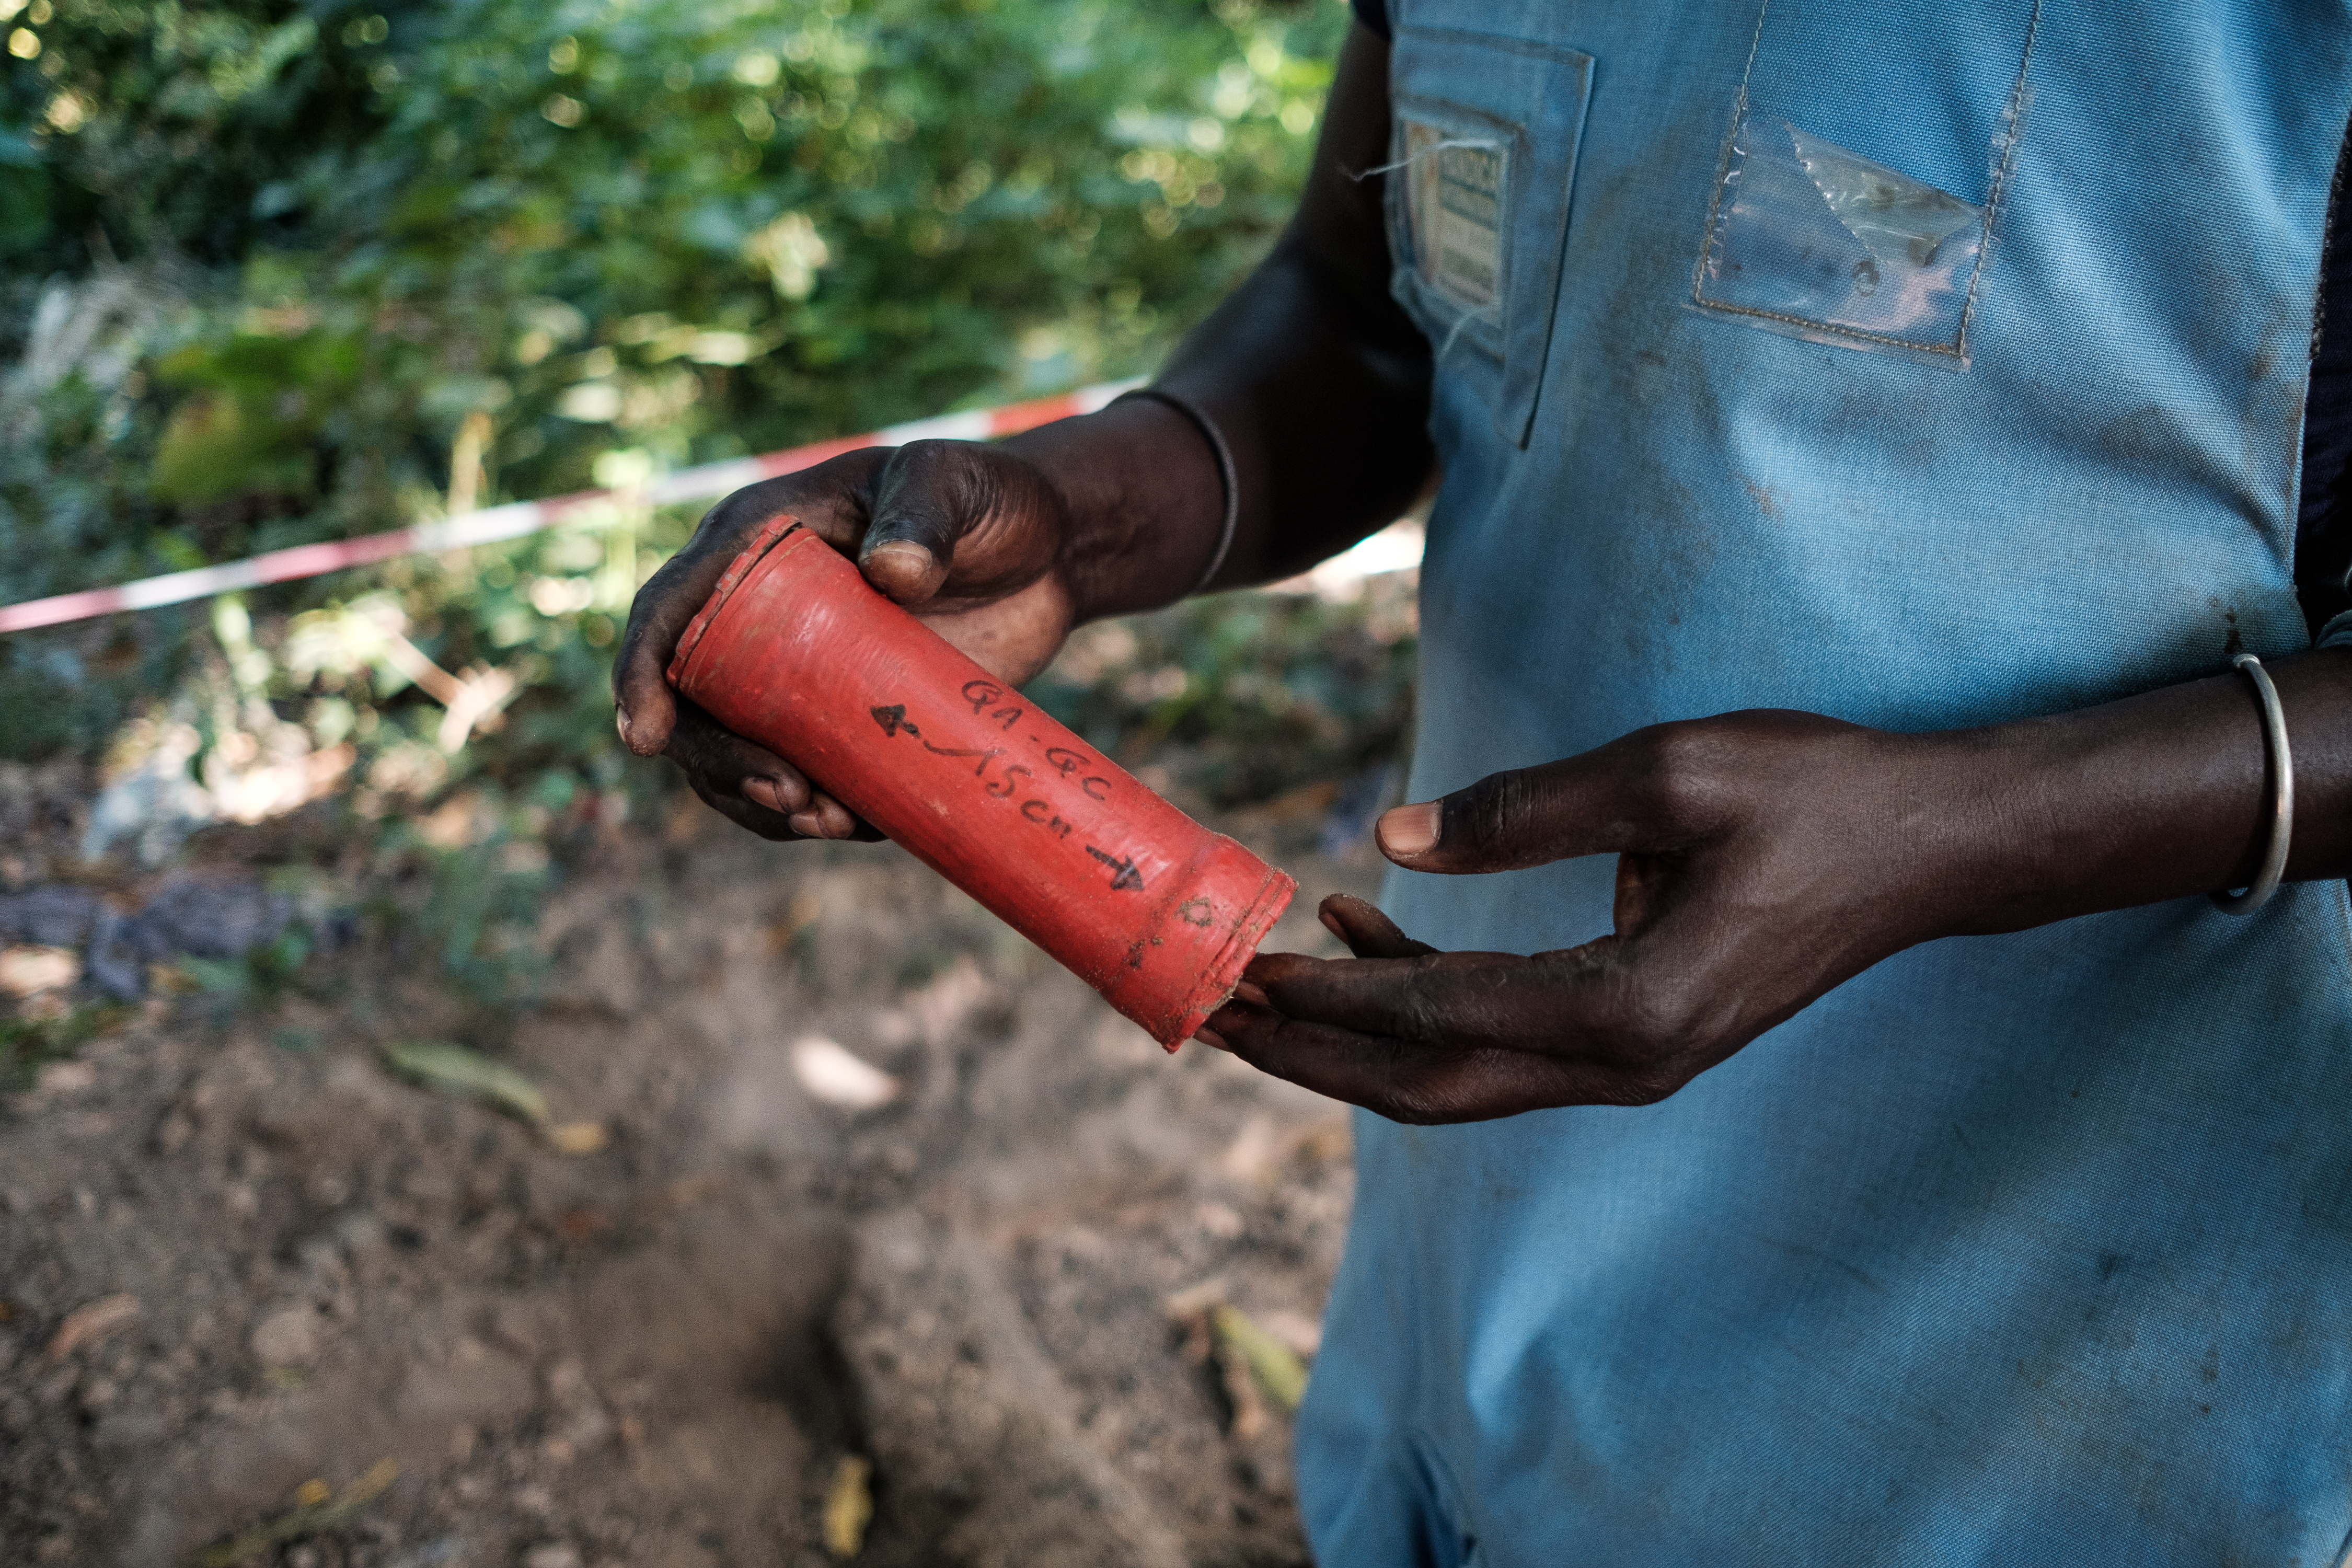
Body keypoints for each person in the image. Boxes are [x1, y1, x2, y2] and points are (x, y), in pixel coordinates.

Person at [618, 2, 2352, 1560]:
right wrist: (1085, 511)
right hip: (1507, 1187)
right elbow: (1380, 307)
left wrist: (1961, 831)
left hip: (2080, 1282)